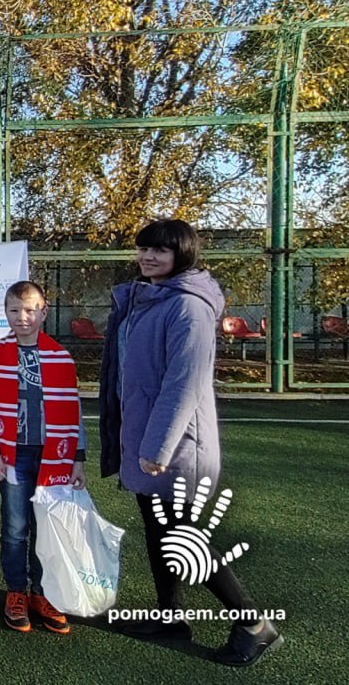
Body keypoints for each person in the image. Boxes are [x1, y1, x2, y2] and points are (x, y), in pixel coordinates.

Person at [99, 219, 282, 667]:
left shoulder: (188, 308)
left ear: (182, 254)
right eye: (144, 249)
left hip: (176, 447)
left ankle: (255, 626)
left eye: (160, 251)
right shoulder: (148, 297)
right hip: (145, 438)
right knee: (161, 536)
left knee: (186, 540)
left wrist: (157, 448)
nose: (148, 257)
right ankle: (169, 616)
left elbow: (183, 385)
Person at [0, 280, 84, 633]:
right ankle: (16, 591)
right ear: (4, 312)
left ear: (44, 311)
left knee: (47, 529)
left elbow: (73, 410)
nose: (22, 317)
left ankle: (43, 592)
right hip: (12, 457)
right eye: (13, 310)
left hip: (53, 457)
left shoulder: (60, 356)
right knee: (15, 527)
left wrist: (77, 458)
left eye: (29, 310)